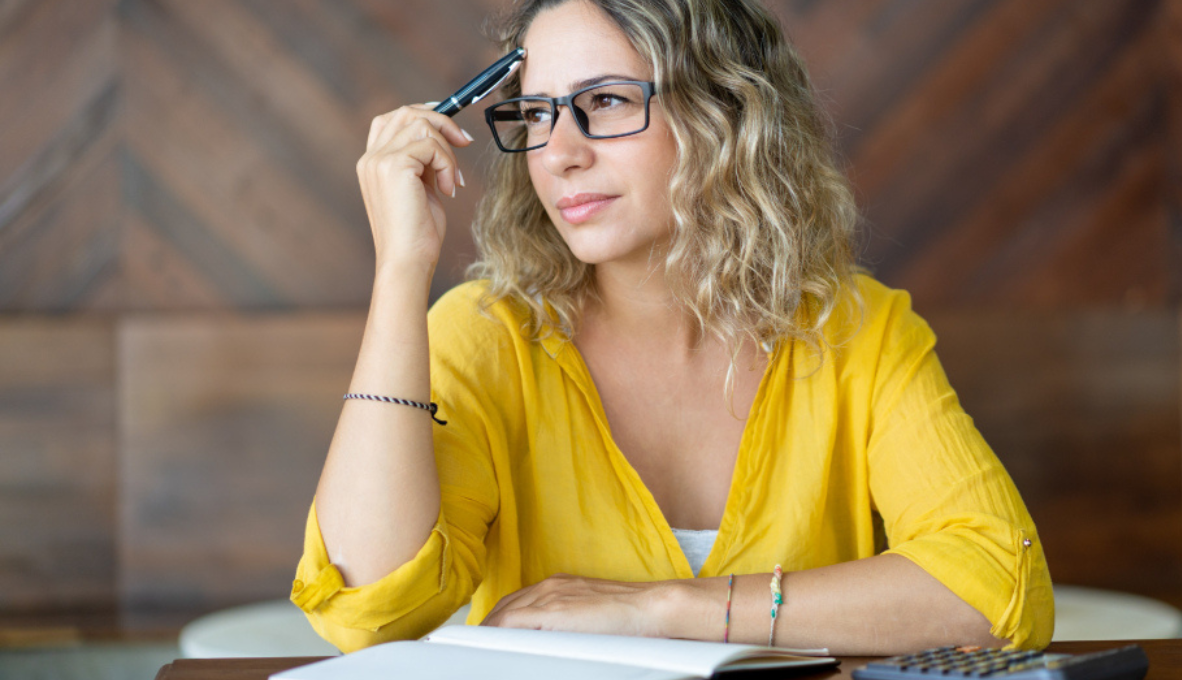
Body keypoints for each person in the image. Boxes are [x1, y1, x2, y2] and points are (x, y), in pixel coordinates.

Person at [290, 0, 1054, 656]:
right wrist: (399, 270)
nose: (559, 155)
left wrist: (660, 611)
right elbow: (366, 603)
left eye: (609, 101)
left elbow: (997, 586)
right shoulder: (487, 338)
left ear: (725, 109)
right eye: (537, 111)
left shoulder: (858, 331)